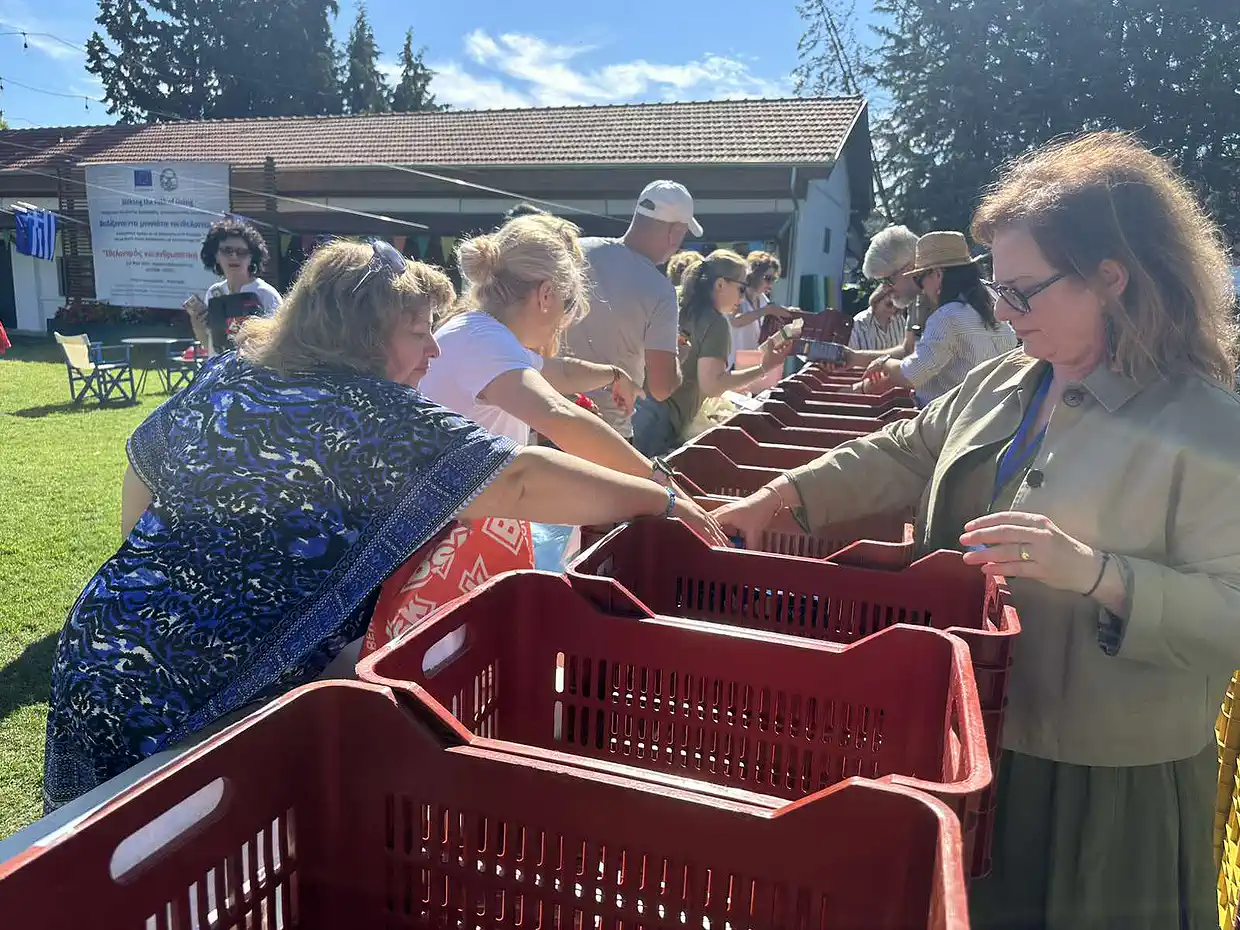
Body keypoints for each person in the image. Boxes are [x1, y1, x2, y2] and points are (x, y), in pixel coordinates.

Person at [711, 131, 1240, 930]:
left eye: (1023, 291)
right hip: (966, 739)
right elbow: (904, 448)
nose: (1002, 311)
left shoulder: (1208, 423)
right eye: (998, 288)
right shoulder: (1006, 380)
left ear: (1111, 278)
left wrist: (1099, 574)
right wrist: (778, 496)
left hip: (1101, 788)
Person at [43, 238, 726, 812]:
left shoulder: (232, 376)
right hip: (199, 695)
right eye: (418, 331)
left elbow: (141, 472)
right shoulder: (374, 415)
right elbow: (520, 480)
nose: (434, 351)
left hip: (99, 643)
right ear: (364, 333)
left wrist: (161, 587)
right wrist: (662, 502)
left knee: (82, 863)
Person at [561, 180, 701, 440]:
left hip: (546, 416)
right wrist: (678, 359)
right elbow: (661, 388)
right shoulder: (660, 290)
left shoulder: (574, 252)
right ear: (675, 232)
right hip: (607, 432)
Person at [631, 250, 794, 456]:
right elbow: (713, 385)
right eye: (741, 288)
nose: (741, 297)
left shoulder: (670, 298)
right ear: (720, 285)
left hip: (628, 407)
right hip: (657, 422)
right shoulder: (715, 321)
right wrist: (764, 368)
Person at [859, 231, 1018, 404]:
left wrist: (884, 363)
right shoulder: (991, 300)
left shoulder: (946, 317)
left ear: (937, 274)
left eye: (920, 279)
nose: (922, 287)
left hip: (951, 415)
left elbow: (912, 374)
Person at [187, 217, 282, 354]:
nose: (234, 256)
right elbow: (208, 345)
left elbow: (279, 343)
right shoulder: (214, 292)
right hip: (220, 366)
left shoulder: (266, 294)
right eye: (227, 250)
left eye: (241, 252)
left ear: (251, 257)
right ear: (216, 256)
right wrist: (197, 324)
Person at [727, 251, 795, 369]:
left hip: (752, 364)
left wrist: (790, 314)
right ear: (754, 275)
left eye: (774, 279)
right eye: (768, 278)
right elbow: (736, 321)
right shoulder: (739, 295)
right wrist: (767, 311)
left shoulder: (763, 300)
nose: (771, 284)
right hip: (734, 365)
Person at [845, 283, 909, 360]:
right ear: (876, 301)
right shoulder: (859, 324)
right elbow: (851, 357)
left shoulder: (900, 320)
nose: (893, 309)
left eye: (897, 305)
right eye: (889, 304)